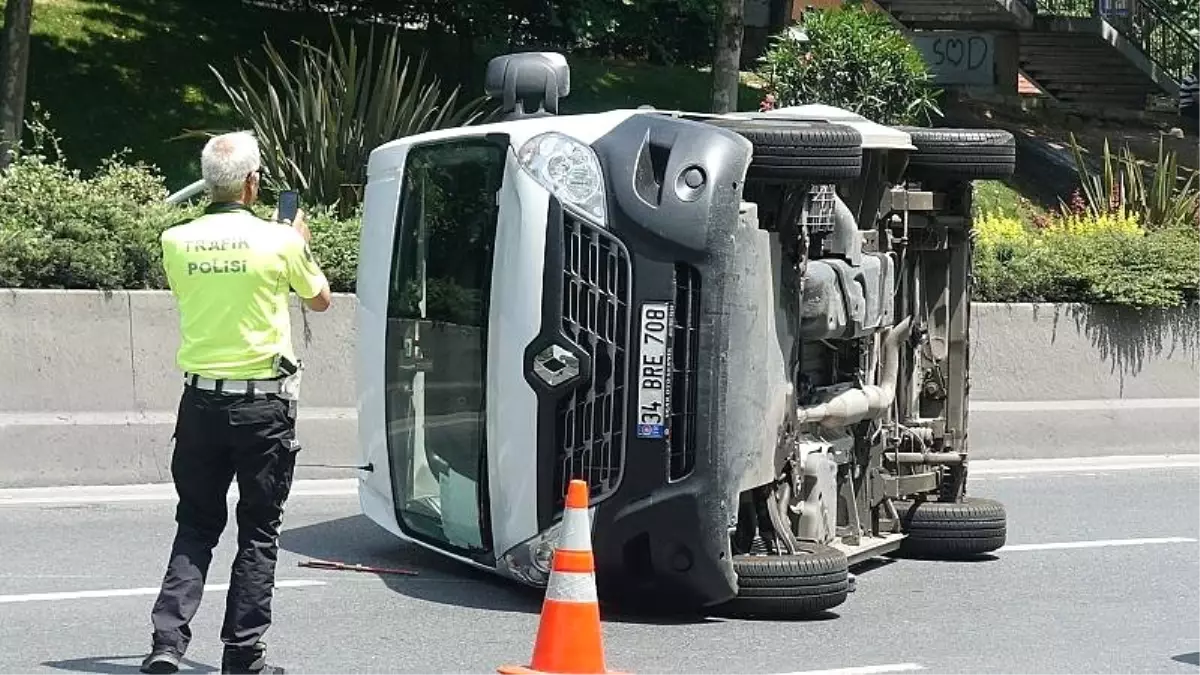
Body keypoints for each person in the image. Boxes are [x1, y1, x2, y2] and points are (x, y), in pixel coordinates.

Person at [140, 131, 332, 675]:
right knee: (259, 529)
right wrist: (299, 240)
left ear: (209, 182)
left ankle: (167, 644)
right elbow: (320, 301)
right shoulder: (280, 241)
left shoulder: (176, 241)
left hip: (199, 402)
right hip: (262, 407)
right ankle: (242, 655)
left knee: (196, 523)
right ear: (253, 183)